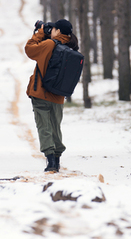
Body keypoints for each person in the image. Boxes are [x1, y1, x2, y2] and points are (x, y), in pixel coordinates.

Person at [25, 18, 79, 173]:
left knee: (44, 127)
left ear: (59, 31)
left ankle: (50, 162)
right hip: (58, 95)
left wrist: (40, 33)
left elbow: (29, 49)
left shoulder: (49, 44)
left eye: (54, 29)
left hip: (41, 93)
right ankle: (57, 159)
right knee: (55, 127)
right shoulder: (71, 46)